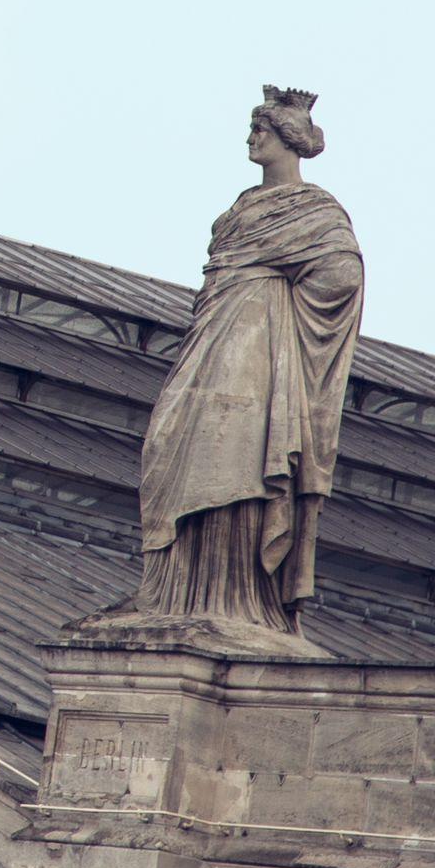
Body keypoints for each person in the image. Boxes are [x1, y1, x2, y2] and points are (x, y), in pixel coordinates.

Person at [125, 90, 362, 637]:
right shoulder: (239, 208)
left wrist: (281, 291)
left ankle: (232, 595)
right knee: (171, 438)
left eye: (262, 129)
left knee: (237, 450)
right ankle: (176, 585)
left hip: (263, 342)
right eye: (253, 128)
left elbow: (342, 275)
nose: (252, 138)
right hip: (214, 331)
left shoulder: (315, 211)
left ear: (288, 139)